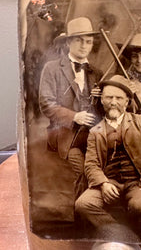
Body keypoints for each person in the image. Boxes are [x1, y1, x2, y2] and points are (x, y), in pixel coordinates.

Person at [75, 75, 141, 242]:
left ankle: (136, 241)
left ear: (127, 101)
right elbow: (91, 164)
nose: (113, 102)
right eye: (108, 97)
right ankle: (124, 237)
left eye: (119, 98)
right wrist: (103, 183)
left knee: (140, 206)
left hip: (139, 182)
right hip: (110, 182)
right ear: (101, 100)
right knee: (83, 204)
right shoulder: (95, 131)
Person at [39, 17, 103, 199]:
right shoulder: (52, 69)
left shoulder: (96, 72)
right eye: (78, 40)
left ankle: (92, 217)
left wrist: (101, 100)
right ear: (68, 42)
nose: (84, 46)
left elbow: (101, 112)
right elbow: (46, 103)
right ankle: (82, 221)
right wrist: (74, 116)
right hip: (66, 135)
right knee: (85, 171)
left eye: (88, 41)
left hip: (93, 136)